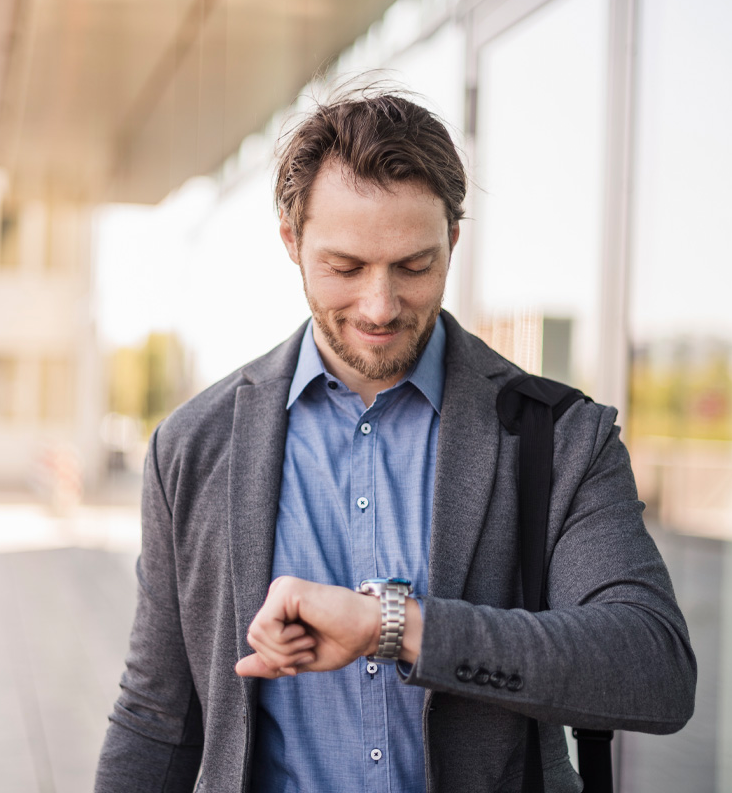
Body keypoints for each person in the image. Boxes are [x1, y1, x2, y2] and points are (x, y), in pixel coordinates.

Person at [95, 89, 696, 793]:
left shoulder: (561, 437)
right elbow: (157, 718)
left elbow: (652, 668)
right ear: (291, 242)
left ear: (453, 241)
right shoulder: (193, 448)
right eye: (345, 267)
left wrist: (396, 627)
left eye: (415, 266)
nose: (380, 307)